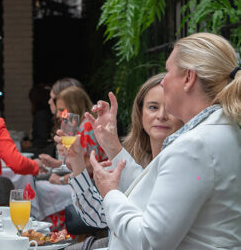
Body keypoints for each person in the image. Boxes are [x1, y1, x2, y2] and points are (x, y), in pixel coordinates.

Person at [88, 33, 241, 250]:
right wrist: (113, 147)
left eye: (168, 71)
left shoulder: (196, 146)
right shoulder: (223, 131)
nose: (164, 80)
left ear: (188, 78)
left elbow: (151, 243)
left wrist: (110, 195)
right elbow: (159, 195)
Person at [65, 73, 182, 230]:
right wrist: (77, 161)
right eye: (153, 107)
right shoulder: (135, 157)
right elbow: (102, 216)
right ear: (140, 113)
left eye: (169, 107)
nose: (161, 116)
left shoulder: (184, 163)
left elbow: (151, 231)